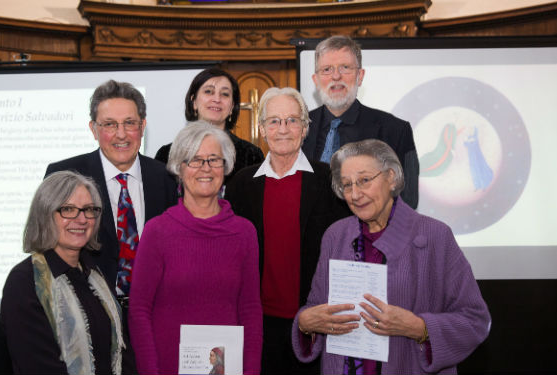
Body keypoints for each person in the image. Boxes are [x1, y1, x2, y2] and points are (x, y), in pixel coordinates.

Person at [292, 139, 491, 374]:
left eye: (365, 180)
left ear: (392, 177)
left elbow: (475, 320)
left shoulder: (435, 236)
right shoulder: (336, 236)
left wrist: (419, 328)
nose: (355, 194)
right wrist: (304, 323)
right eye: (347, 185)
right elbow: (316, 307)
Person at [45, 80, 178, 373]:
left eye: (129, 123)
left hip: (155, 321)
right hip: (88, 323)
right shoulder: (65, 175)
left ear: (142, 127)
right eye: (109, 124)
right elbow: (50, 252)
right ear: (93, 129)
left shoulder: (167, 178)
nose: (120, 134)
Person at [225, 87, 349, 375]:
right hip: (258, 324)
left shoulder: (330, 181)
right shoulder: (241, 185)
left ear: (305, 129)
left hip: (315, 322)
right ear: (262, 129)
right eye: (274, 121)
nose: (283, 129)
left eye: (292, 120)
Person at [129, 121, 263, 375]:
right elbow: (139, 310)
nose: (206, 168)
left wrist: (251, 371)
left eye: (214, 160)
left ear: (226, 167)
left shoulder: (244, 232)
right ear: (179, 168)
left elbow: (251, 311)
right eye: (195, 160)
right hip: (166, 368)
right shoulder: (158, 231)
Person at [1, 171, 125, 375]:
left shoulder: (94, 275)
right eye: (68, 209)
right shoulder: (25, 281)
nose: (82, 219)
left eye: (88, 210)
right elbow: (37, 366)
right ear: (45, 214)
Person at [301, 35, 419, 209]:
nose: (336, 76)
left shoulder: (396, 130)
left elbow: (408, 200)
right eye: (326, 69)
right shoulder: (297, 128)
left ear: (360, 76)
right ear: (315, 80)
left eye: (345, 68)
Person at [155, 67, 264, 181]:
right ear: (194, 101)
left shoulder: (251, 155)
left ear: (232, 106)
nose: (217, 99)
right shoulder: (166, 154)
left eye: (225, 94)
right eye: (208, 91)